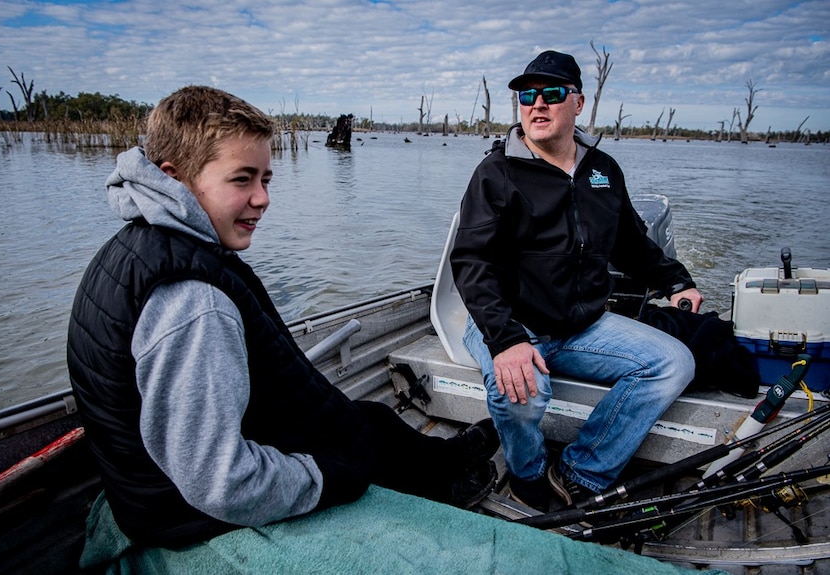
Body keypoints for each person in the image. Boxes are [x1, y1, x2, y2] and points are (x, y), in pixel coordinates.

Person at [67, 85, 498, 549]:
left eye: (266, 180)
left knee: (371, 418)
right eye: (242, 179)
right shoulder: (192, 302)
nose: (262, 198)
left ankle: (450, 457)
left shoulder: (136, 247)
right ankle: (450, 481)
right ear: (177, 178)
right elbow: (220, 482)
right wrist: (328, 478)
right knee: (364, 450)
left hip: (158, 485)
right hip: (180, 514)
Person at [450, 50, 704, 511]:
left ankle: (580, 472)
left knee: (673, 363)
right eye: (527, 95)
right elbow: (471, 262)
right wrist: (506, 341)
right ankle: (527, 478)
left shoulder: (602, 170)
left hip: (580, 324)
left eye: (551, 93)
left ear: (578, 103)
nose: (537, 104)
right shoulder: (496, 173)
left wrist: (675, 281)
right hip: (507, 321)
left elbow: (631, 242)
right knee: (522, 391)